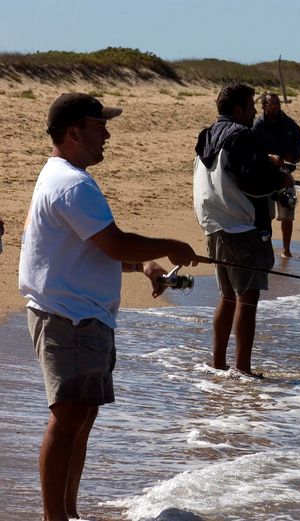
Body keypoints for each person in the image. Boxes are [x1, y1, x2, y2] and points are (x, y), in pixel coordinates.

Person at [19, 92, 198, 521]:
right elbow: (114, 241)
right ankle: (54, 517)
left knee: (81, 419)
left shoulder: (66, 177)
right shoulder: (71, 183)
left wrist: (147, 265)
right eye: (99, 126)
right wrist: (171, 245)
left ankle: (67, 513)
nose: (107, 134)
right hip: (69, 317)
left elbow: (97, 246)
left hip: (83, 316)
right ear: (74, 131)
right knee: (68, 419)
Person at [193, 84, 293, 376]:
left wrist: (267, 162)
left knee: (226, 296)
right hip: (243, 228)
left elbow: (232, 170)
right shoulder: (243, 135)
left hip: (213, 226)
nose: (253, 112)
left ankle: (219, 362)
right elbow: (252, 182)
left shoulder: (207, 134)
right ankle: (243, 369)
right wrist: (281, 180)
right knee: (247, 301)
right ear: (237, 109)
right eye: (250, 106)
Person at [252, 92, 300, 258]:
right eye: (272, 103)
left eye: (277, 102)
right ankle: (265, 248)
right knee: (266, 216)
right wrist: (269, 157)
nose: (276, 106)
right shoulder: (258, 125)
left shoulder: (288, 123)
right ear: (264, 107)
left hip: (285, 175)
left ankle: (286, 249)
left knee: (288, 214)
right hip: (265, 176)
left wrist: (292, 155)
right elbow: (252, 148)